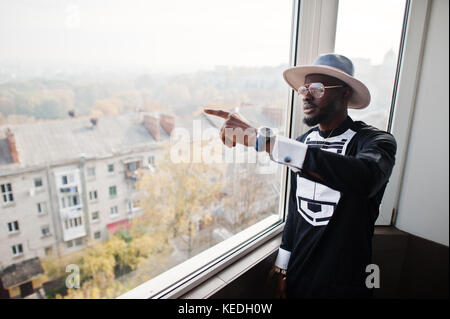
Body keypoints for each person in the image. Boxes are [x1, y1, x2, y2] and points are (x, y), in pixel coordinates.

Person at [204, 53, 397, 298]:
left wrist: (263, 140)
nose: (306, 94)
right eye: (304, 88)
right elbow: (296, 212)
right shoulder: (302, 144)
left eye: (317, 88)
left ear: (345, 92)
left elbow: (365, 178)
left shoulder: (375, 141)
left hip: (347, 285)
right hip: (299, 280)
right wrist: (281, 268)